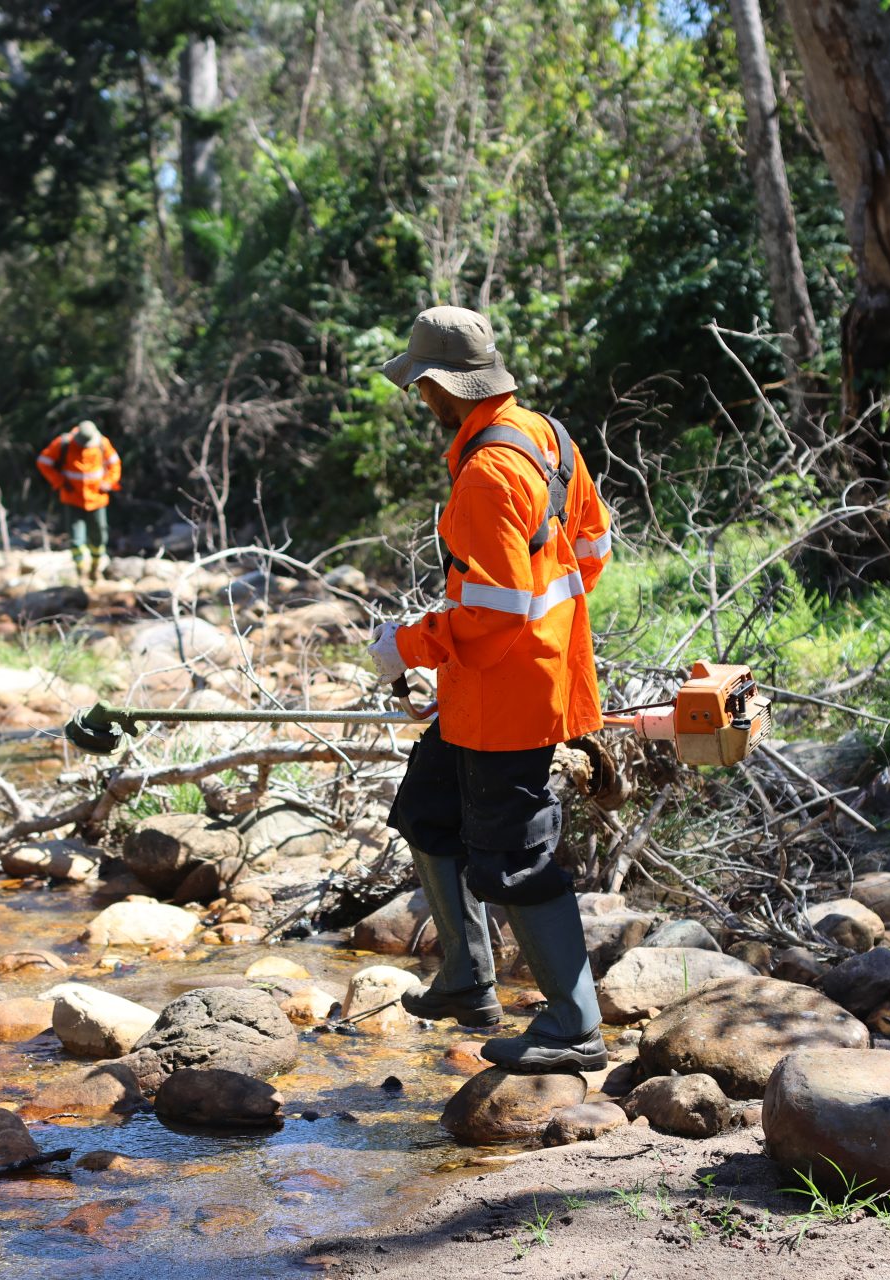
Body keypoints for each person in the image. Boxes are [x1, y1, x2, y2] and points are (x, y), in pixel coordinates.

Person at [368, 306, 615, 1074]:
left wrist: (406, 647)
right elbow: (593, 551)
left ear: (441, 385)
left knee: (517, 861)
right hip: (503, 685)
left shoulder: (484, 473)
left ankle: (575, 1028)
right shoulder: (551, 438)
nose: (418, 399)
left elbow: (498, 612)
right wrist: (475, 661)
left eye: (420, 386)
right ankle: (468, 978)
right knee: (425, 812)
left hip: (508, 703)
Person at [36, 420, 122, 583]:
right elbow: (43, 462)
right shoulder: (64, 444)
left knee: (99, 536)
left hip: (97, 499)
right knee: (76, 538)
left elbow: (114, 464)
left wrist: (109, 482)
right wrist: (60, 482)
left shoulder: (102, 444)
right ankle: (81, 571)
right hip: (72, 499)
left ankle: (95, 568)